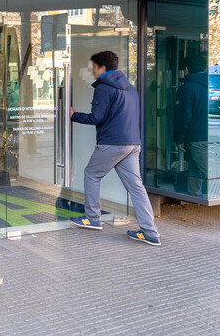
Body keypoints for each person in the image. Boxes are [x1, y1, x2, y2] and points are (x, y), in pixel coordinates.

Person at [69, 51, 160, 246]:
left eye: (94, 67)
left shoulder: (104, 87)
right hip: (133, 144)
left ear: (102, 68)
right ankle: (150, 232)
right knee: (136, 186)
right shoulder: (130, 87)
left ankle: (93, 218)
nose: (92, 71)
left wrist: (73, 115)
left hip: (113, 143)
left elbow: (97, 117)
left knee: (92, 174)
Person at [175, 55, 209, 197]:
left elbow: (184, 116)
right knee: (195, 168)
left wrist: (180, 139)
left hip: (196, 137)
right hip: (211, 134)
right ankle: (194, 195)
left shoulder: (187, 88)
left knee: (208, 170)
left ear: (187, 69)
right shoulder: (210, 85)